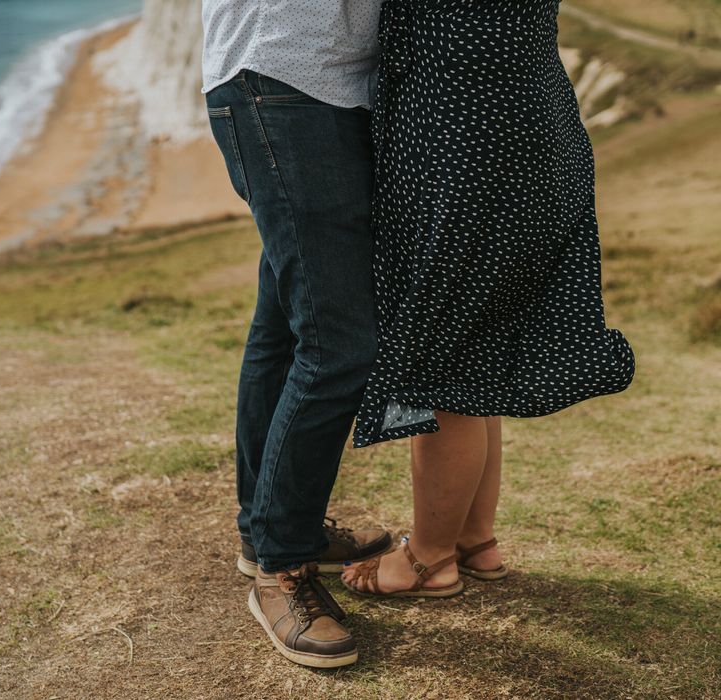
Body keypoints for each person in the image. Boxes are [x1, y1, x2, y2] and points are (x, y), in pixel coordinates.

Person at [342, 0, 635, 597]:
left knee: (443, 362)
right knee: (479, 349)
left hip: (464, 144)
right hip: (534, 127)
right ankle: (475, 539)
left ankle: (428, 557)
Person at [201, 0, 392, 669]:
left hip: (308, 82)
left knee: (283, 326)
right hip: (288, 78)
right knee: (339, 347)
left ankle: (269, 532)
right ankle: (282, 566)